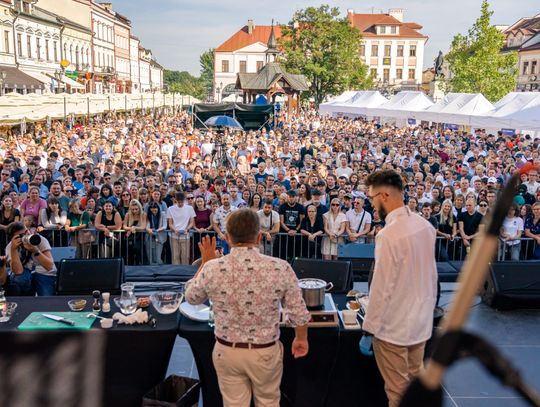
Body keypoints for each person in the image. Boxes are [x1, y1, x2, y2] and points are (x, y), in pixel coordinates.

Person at [184, 209, 310, 407]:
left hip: (227, 351)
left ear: (227, 238)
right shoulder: (280, 267)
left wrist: (205, 263)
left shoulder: (213, 267)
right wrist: (301, 338)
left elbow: (191, 297)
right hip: (265, 352)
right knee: (268, 403)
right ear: (259, 237)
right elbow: (299, 314)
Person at [361, 169, 437, 407]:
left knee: (397, 392)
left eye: (372, 198)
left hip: (392, 329)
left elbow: (382, 288)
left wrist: (368, 329)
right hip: (420, 323)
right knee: (417, 383)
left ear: (384, 196)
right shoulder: (426, 226)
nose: (372, 205)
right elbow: (430, 276)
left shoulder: (388, 236)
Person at [3, 221, 57, 296]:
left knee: (46, 299)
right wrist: (13, 250)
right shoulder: (10, 247)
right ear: (12, 238)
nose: (26, 235)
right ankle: (27, 296)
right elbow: (18, 272)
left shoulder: (39, 239)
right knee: (19, 280)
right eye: (21, 235)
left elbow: (49, 267)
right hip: (25, 272)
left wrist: (36, 251)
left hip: (44, 272)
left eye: (26, 231)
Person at [167, 192, 196, 265]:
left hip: (186, 236)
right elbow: (170, 223)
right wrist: (175, 230)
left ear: (184, 200)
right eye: (178, 202)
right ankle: (176, 273)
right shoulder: (170, 209)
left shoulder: (190, 208)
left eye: (182, 202)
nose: (180, 203)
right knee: (175, 256)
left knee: (185, 256)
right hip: (173, 236)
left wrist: (187, 229)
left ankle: (184, 273)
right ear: (175, 200)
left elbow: (192, 222)